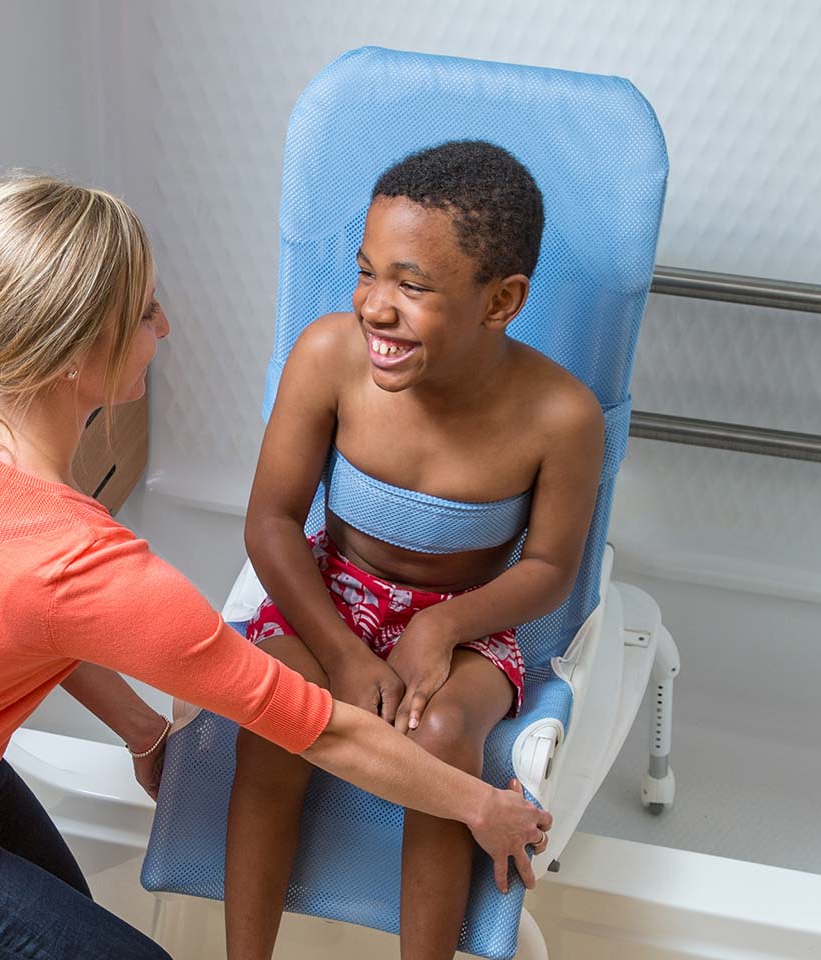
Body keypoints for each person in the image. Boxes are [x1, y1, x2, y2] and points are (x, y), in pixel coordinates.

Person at [0, 174, 552, 960]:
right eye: (148, 312)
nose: (166, 326)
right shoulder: (82, 557)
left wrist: (143, 730)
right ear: (82, 352)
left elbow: (29, 620)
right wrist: (483, 807)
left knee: (62, 914)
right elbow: (319, 730)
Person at [225, 141, 604, 960]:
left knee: (440, 736)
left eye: (412, 285)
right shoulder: (329, 358)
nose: (374, 307)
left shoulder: (561, 416)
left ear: (500, 301)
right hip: (330, 594)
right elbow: (272, 523)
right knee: (280, 702)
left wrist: (440, 629)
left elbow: (549, 571)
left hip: (464, 622)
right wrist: (340, 651)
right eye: (366, 273)